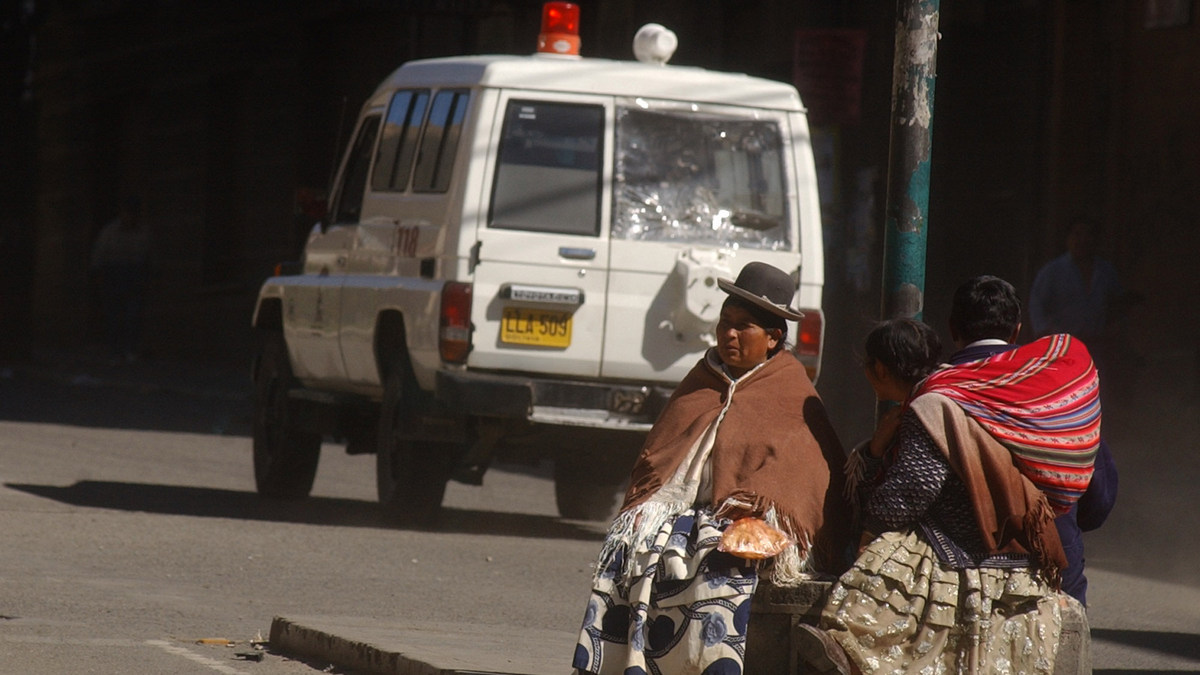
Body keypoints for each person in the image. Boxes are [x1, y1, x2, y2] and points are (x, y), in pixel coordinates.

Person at [800, 275, 1106, 674]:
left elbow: (913, 489)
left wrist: (868, 528)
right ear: (1017, 330)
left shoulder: (940, 397)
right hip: (1053, 560)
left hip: (962, 563)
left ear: (953, 330)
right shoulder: (1056, 389)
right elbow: (1098, 493)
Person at [571, 261, 852, 675]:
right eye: (724, 323)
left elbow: (804, 475)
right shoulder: (702, 380)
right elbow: (658, 459)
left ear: (773, 338)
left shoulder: (791, 391)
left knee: (713, 566)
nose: (729, 334)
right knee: (635, 558)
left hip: (745, 523)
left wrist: (759, 515)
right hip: (678, 513)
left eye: (743, 327)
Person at [1029, 216, 1127, 372]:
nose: (1082, 240)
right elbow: (1037, 309)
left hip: (1098, 349)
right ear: (1068, 239)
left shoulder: (1105, 271)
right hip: (1064, 350)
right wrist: (1049, 335)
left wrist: (1115, 329)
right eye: (1077, 234)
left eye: (1088, 235)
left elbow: (1118, 303)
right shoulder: (1052, 272)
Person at [89, 195, 154, 363]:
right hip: (113, 274)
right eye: (128, 213)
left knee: (133, 315)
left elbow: (148, 255)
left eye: (134, 213)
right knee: (114, 315)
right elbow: (99, 255)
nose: (131, 217)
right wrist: (99, 276)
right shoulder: (110, 231)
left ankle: (130, 350)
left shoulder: (143, 231)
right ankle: (115, 351)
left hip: (135, 275)